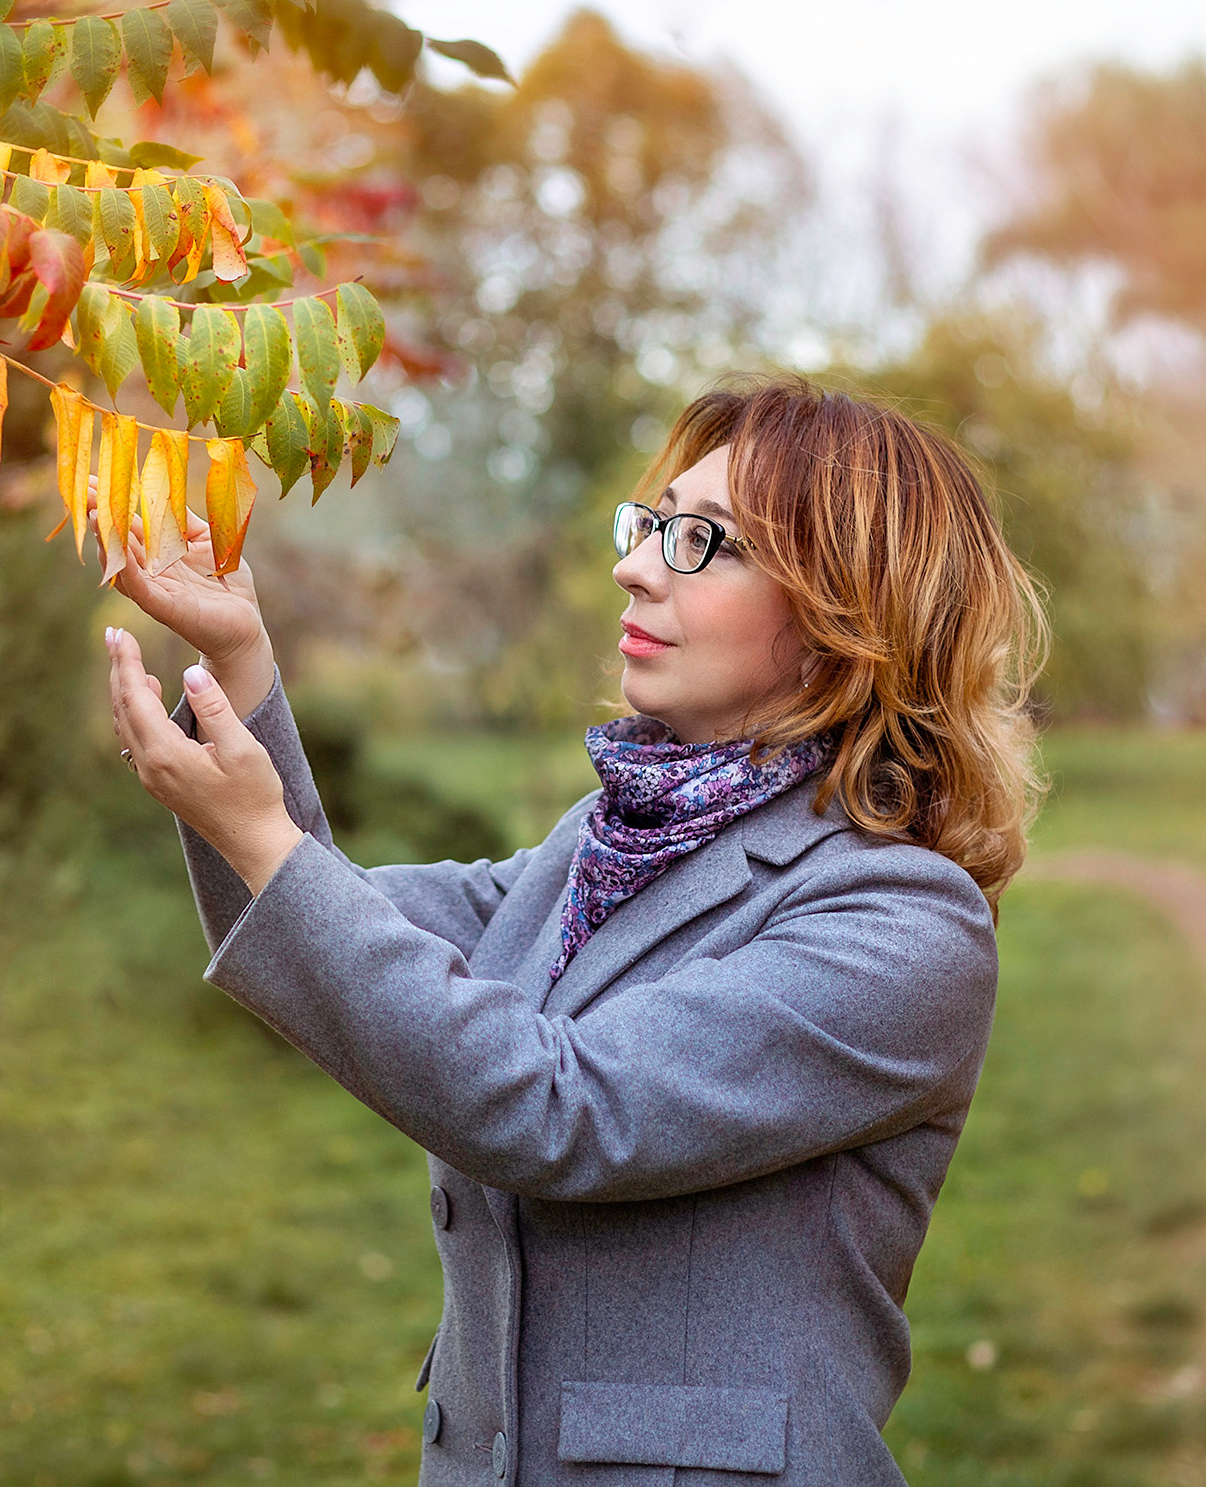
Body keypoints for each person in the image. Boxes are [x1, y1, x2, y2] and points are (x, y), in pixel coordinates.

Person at [96, 374, 1045, 1485]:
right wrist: (243, 662)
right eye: (650, 523)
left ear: (850, 618)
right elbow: (331, 931)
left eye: (704, 541)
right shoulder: (599, 844)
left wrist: (263, 839)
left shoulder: (900, 927)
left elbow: (563, 1109)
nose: (634, 563)